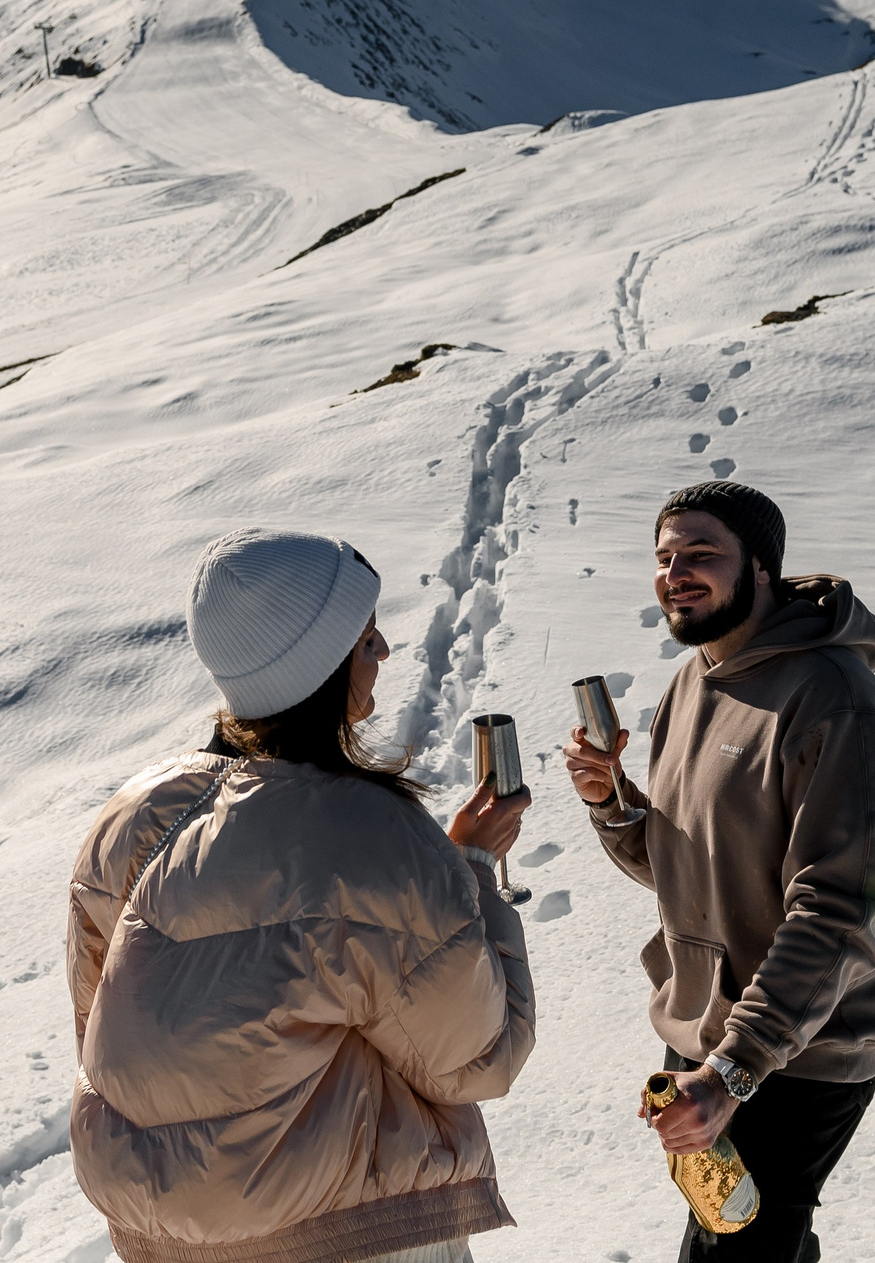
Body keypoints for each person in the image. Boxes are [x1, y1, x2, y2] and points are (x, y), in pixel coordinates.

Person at [68, 528, 537, 1263]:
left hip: (170, 1237)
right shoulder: (369, 834)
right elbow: (478, 1055)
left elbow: (107, 1037)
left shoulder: (129, 818)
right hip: (353, 1228)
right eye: (368, 639)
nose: (382, 654)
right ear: (320, 665)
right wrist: (470, 864)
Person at [564, 482, 875, 1263]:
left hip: (797, 1050)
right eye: (664, 556)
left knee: (735, 1248)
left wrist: (735, 1067)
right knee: (745, 1232)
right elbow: (690, 863)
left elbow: (841, 908)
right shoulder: (694, 681)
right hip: (706, 1035)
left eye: (701, 553)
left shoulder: (837, 702)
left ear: (761, 567)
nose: (676, 572)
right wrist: (615, 804)